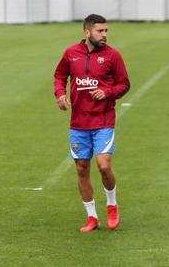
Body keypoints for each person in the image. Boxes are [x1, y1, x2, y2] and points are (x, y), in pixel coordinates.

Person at [53, 14, 130, 233]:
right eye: (100, 31)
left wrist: (107, 91)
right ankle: (92, 216)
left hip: (104, 120)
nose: (104, 35)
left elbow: (124, 84)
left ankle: (112, 205)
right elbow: (60, 76)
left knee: (104, 165)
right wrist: (60, 94)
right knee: (81, 168)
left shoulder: (113, 56)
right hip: (78, 122)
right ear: (87, 32)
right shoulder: (71, 53)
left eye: (106, 31)